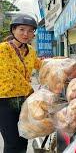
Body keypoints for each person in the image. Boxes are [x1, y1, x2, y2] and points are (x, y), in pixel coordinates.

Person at [0, 14, 41, 153]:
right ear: (13, 30)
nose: (26, 34)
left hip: (23, 101)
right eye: (22, 29)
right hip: (5, 100)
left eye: (30, 31)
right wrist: (33, 92)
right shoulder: (3, 49)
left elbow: (42, 65)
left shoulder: (31, 51)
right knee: (12, 142)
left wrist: (61, 65)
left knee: (24, 138)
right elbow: (11, 75)